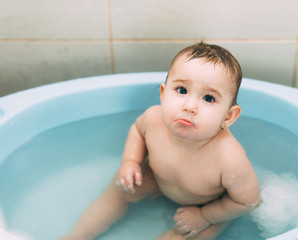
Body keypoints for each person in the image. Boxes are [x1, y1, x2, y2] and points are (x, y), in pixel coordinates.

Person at [60, 42, 260, 240]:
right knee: (120, 188)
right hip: (157, 180)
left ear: (228, 117)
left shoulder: (228, 157)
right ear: (164, 94)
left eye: (208, 98)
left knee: (190, 234)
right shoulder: (153, 120)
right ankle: (78, 235)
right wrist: (130, 162)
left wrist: (205, 216)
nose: (189, 106)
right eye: (181, 90)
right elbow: (138, 130)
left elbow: (247, 202)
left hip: (208, 205)